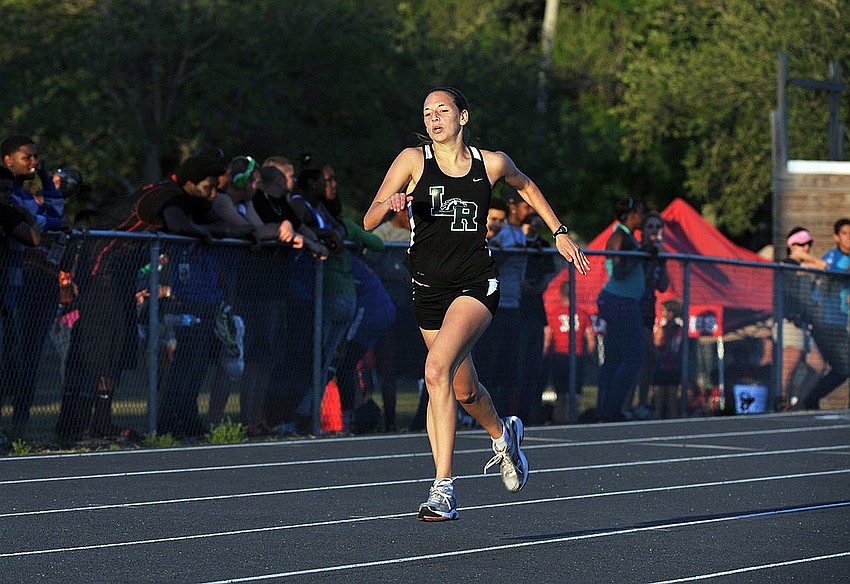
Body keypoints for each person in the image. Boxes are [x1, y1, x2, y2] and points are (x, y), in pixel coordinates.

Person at [362, 86, 589, 521]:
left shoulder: (492, 163)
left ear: (463, 116)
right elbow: (369, 220)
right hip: (427, 289)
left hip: (475, 283)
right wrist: (388, 203)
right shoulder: (412, 161)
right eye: (427, 112)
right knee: (464, 389)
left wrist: (559, 232)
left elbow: (526, 186)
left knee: (435, 371)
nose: (434, 118)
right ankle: (504, 437)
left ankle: (443, 489)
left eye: (442, 110)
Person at [0, 135, 66, 438]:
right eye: (27, 157)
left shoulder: (24, 196)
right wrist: (32, 220)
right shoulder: (7, 194)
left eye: (36, 158)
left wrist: (45, 181)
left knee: (26, 357)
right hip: (17, 285)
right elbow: (39, 230)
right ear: (7, 159)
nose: (34, 162)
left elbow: (53, 217)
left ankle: (19, 427)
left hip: (19, 287)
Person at [474, 191, 528, 417]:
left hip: (511, 304)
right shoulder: (475, 238)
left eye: (500, 221)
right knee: (487, 361)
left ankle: (504, 414)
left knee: (509, 363)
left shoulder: (513, 235)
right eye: (492, 220)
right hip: (487, 306)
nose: (496, 225)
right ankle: (478, 414)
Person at [596, 197, 649, 422]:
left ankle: (606, 407)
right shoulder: (619, 236)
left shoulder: (627, 236)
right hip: (620, 301)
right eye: (641, 212)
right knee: (635, 355)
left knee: (616, 356)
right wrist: (640, 254)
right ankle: (611, 407)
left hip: (624, 300)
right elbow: (618, 271)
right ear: (633, 213)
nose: (644, 217)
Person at [797, 218, 850, 409]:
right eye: (845, 233)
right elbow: (826, 277)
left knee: (840, 368)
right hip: (826, 321)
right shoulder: (832, 258)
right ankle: (809, 400)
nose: (849, 238)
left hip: (840, 321)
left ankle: (810, 400)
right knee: (844, 366)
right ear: (836, 237)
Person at [778, 227, 826, 409]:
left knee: (818, 366)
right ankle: (779, 407)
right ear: (791, 245)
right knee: (787, 370)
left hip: (804, 326)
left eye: (808, 244)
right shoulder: (787, 264)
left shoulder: (804, 267)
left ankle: (797, 404)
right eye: (801, 244)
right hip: (790, 324)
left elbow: (821, 270)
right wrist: (804, 257)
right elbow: (819, 266)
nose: (806, 247)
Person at [629, 210, 669, 419]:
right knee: (644, 355)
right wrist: (652, 257)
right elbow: (639, 280)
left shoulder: (659, 252)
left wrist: (662, 260)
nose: (654, 231)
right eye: (650, 227)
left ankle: (641, 403)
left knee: (647, 358)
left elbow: (663, 285)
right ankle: (630, 403)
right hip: (634, 307)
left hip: (649, 310)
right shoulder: (639, 250)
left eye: (658, 227)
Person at [543, 279, 595, 423]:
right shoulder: (583, 314)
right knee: (575, 392)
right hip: (576, 355)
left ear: (560, 294)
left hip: (559, 355)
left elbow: (548, 337)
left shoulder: (553, 314)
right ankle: (572, 418)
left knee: (560, 392)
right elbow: (591, 339)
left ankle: (559, 420)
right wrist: (590, 355)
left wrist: (545, 355)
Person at [654, 299, 684, 419]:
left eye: (663, 310)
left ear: (671, 313)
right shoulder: (662, 328)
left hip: (672, 366)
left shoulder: (678, 330)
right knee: (659, 400)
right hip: (662, 366)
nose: (661, 312)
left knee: (671, 399)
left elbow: (677, 347)